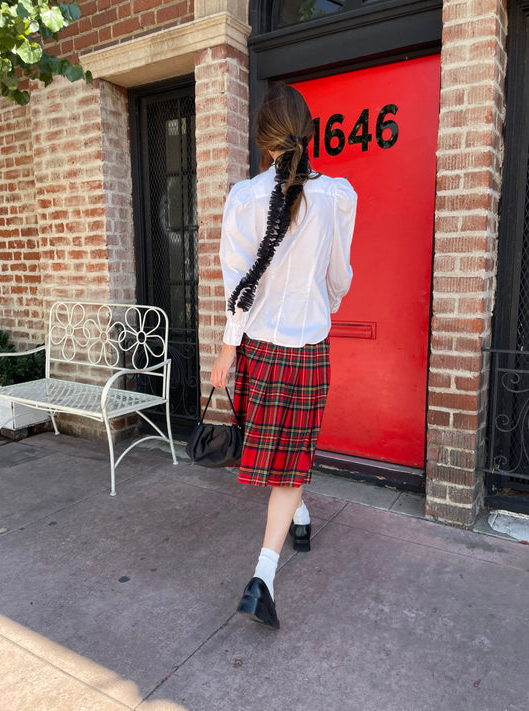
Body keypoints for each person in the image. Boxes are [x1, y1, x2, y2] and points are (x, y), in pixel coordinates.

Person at [211, 84, 357, 629]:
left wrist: (228, 348)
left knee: (276, 449)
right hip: (308, 347)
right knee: (291, 458)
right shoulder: (336, 195)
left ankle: (294, 524)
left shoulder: (244, 197)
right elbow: (339, 275)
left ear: (263, 141)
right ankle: (263, 577)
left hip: (259, 349)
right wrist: (325, 302)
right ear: (309, 132)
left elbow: (237, 287)